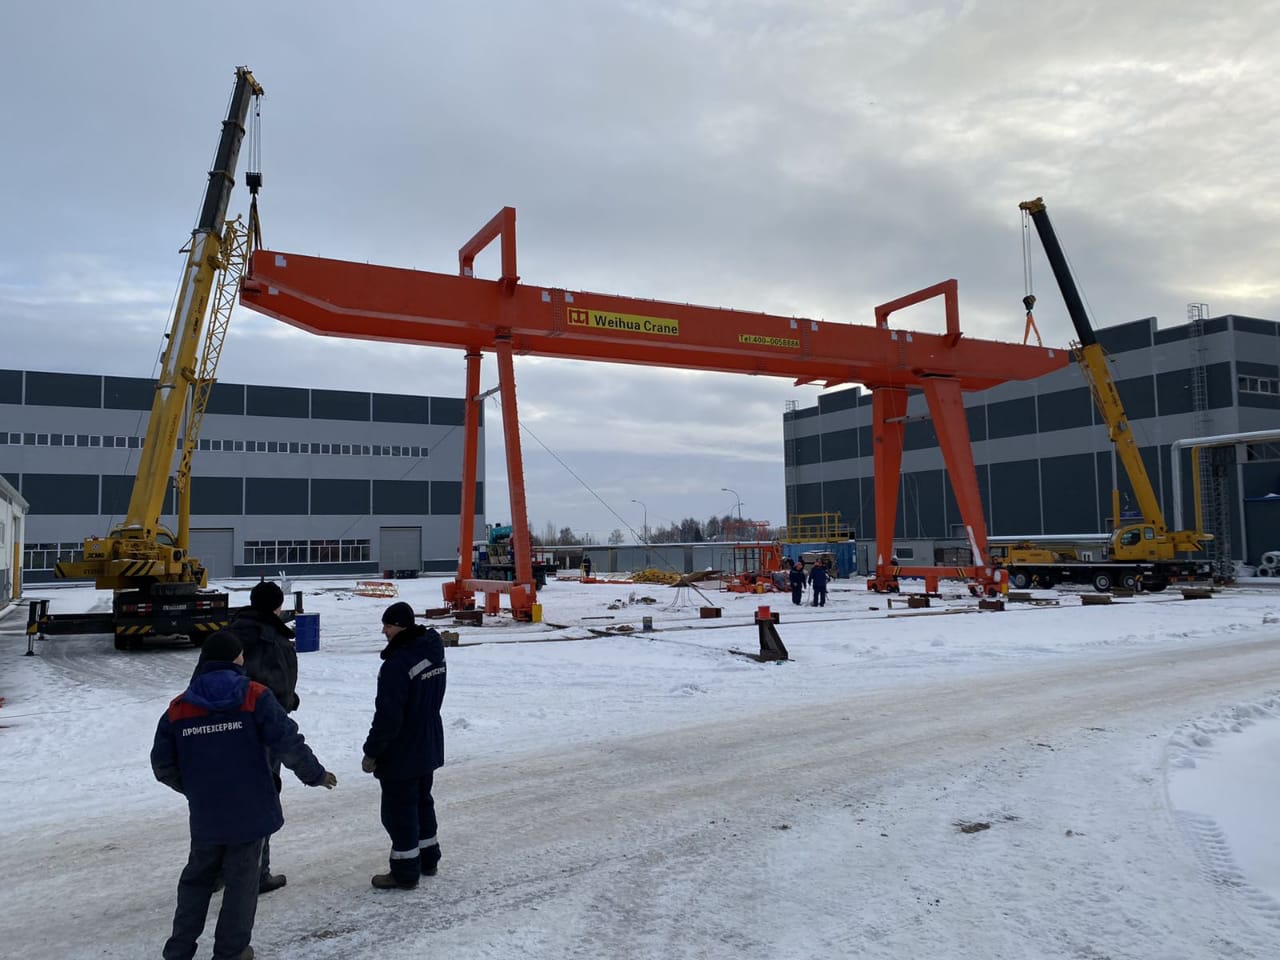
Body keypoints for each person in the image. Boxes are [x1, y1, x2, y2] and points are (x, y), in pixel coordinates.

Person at [152, 631, 336, 960]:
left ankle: (178, 950)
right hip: (251, 809)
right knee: (242, 884)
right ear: (237, 659)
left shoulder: (179, 708)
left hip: (208, 814)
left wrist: (198, 789)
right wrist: (315, 775)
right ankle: (231, 951)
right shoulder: (255, 696)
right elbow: (287, 743)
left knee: (197, 880)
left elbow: (163, 766)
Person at [362, 601, 447, 890]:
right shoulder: (434, 654)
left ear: (402, 626)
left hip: (403, 750)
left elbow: (388, 716)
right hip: (428, 741)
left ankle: (404, 871)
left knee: (399, 811)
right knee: (423, 802)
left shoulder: (397, 665)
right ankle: (428, 859)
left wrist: (372, 751)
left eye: (388, 625)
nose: (384, 630)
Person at [222, 579, 299, 894]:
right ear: (277, 606)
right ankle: (257, 872)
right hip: (262, 732)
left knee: (224, 798)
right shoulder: (275, 639)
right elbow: (280, 689)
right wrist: (288, 702)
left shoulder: (229, 634)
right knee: (262, 798)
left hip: (223, 731)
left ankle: (217, 870)